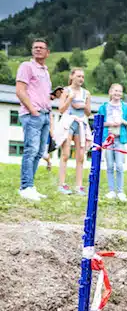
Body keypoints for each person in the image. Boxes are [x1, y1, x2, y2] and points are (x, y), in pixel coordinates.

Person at [15, 38, 52, 201]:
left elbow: (41, 93)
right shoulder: (26, 66)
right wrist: (33, 110)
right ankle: (25, 187)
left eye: (41, 47)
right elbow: (20, 91)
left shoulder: (45, 71)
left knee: (38, 152)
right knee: (31, 150)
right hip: (32, 114)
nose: (38, 49)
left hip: (45, 114)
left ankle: (30, 185)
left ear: (47, 53)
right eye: (35, 47)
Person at [56, 68, 92, 195]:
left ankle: (79, 186)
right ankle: (61, 184)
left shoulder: (86, 93)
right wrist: (70, 99)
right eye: (78, 76)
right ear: (72, 76)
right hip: (69, 122)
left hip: (81, 124)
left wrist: (84, 105)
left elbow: (88, 112)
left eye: (82, 77)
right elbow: (61, 109)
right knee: (65, 154)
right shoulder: (66, 91)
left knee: (80, 157)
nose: (81, 79)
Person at [97, 83, 127, 202]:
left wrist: (123, 121)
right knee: (109, 165)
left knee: (119, 165)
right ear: (110, 92)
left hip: (120, 139)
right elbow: (99, 122)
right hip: (107, 139)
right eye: (115, 91)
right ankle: (111, 190)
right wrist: (109, 124)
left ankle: (120, 191)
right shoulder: (104, 107)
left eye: (120, 91)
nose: (117, 93)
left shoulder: (126, 108)